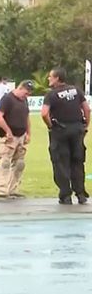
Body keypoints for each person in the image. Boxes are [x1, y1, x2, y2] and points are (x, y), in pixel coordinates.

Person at [41, 68, 90, 205]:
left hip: (60, 130)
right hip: (77, 129)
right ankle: (80, 194)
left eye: (50, 77)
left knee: (61, 162)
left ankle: (65, 195)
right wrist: (86, 125)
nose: (48, 79)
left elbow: (44, 113)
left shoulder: (51, 95)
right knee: (78, 162)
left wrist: (50, 126)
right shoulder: (76, 90)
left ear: (57, 78)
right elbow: (87, 109)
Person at [0, 80, 34, 199]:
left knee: (19, 164)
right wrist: (8, 131)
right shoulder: (7, 99)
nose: (26, 96)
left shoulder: (24, 101)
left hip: (21, 135)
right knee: (5, 162)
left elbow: (26, 117)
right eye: (25, 93)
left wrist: (28, 133)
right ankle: (2, 189)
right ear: (20, 88)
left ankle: (13, 189)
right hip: (8, 137)